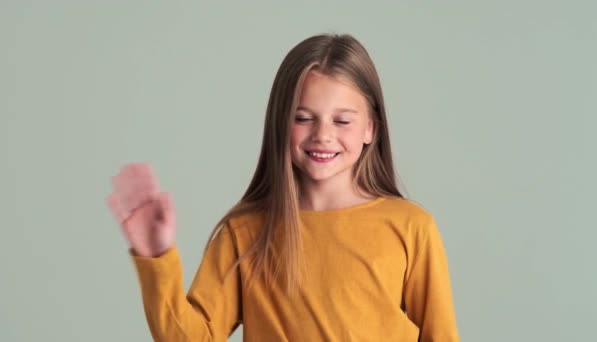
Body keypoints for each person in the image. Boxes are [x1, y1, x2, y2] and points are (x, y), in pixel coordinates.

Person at [106, 33, 459, 341]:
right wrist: (157, 256)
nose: (323, 134)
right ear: (280, 123)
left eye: (342, 120)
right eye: (303, 118)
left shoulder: (411, 227)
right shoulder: (244, 232)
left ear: (371, 129)